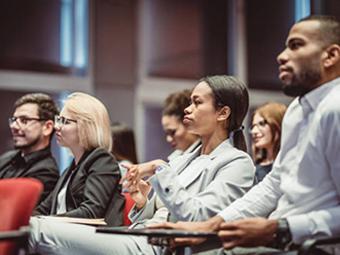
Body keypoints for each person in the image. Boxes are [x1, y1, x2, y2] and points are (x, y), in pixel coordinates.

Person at [151, 15, 340, 255]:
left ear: (330, 56)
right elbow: (274, 185)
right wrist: (213, 224)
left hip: (313, 247)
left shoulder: (336, 107)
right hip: (286, 239)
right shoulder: (297, 110)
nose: (281, 56)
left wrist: (281, 227)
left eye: (296, 45)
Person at [29, 75, 255, 255]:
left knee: (36, 230)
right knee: (30, 230)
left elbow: (199, 219)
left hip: (161, 247)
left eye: (197, 103)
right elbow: (156, 212)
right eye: (190, 102)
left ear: (223, 113)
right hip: (139, 235)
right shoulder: (184, 157)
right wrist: (141, 200)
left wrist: (160, 168)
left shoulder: (237, 163)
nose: (188, 109)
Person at [32, 92, 123, 225]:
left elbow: (91, 213)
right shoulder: (71, 168)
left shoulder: (102, 161)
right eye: (59, 119)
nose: (57, 126)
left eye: (65, 121)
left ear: (86, 127)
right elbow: (43, 209)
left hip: (94, 238)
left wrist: (46, 222)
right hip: (65, 235)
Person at [0, 93, 59, 203]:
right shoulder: (7, 158)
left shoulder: (46, 172)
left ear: (47, 127)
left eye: (24, 120)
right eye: (14, 120)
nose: (14, 126)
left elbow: (10, 207)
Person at [250, 102, 286, 182]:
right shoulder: (255, 168)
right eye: (253, 126)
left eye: (262, 124)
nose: (254, 131)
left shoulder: (288, 165)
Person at [161, 89, 200, 161]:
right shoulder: (175, 157)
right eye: (167, 133)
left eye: (173, 132)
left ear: (190, 124)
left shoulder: (204, 157)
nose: (169, 139)